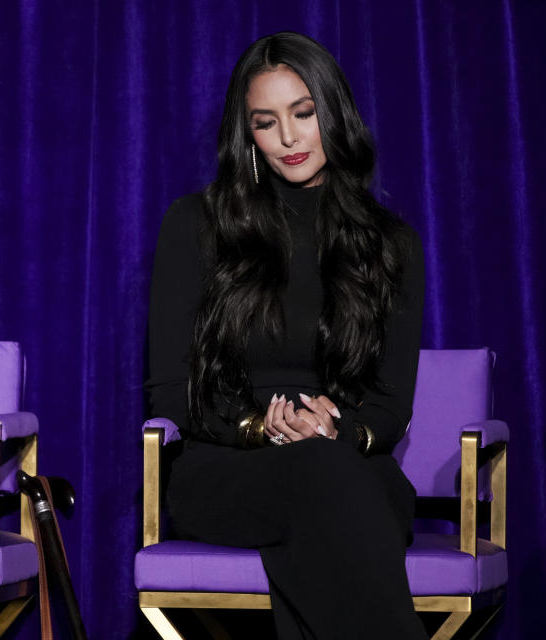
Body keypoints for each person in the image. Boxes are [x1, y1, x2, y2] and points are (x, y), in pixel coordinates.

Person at [146, 32, 428, 639]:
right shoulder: (197, 224)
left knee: (333, 478)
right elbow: (169, 391)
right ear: (248, 133)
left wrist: (337, 430)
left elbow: (389, 403)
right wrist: (258, 427)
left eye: (304, 114)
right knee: (329, 487)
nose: (290, 137)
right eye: (266, 122)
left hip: (351, 463)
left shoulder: (391, 243)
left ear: (334, 112)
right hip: (226, 466)